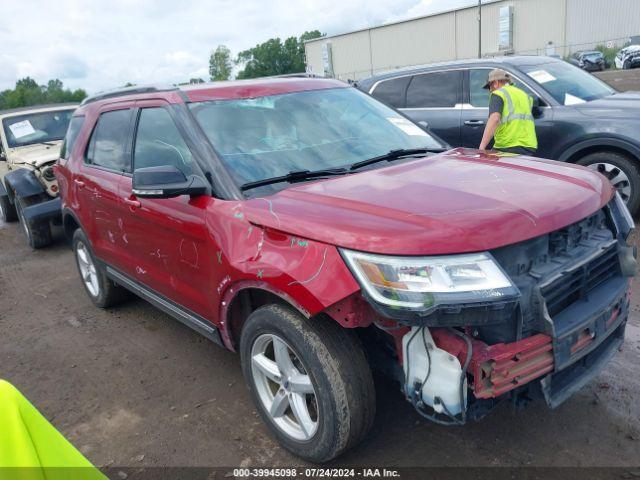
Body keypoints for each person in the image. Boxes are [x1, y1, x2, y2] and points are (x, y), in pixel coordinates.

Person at [478, 69, 538, 156]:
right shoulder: (524, 95)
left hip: (508, 145)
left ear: (495, 83)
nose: (490, 90)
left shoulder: (498, 94)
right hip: (529, 146)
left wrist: (482, 147)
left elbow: (495, 119)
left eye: (489, 87)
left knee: (490, 167)